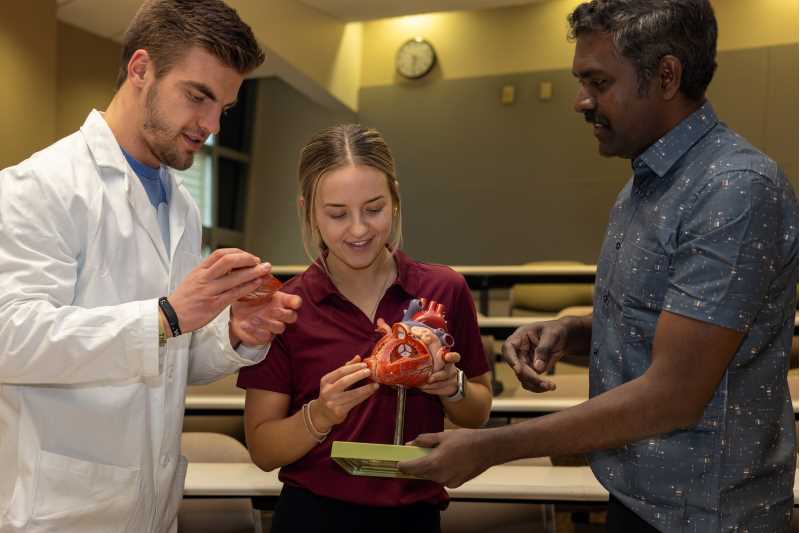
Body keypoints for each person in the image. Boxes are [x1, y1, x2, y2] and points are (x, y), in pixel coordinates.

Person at [399, 1, 799, 531]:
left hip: (706, 515)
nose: (580, 101)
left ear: (666, 75)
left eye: (598, 81)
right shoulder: (645, 185)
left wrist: (491, 446)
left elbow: (674, 396)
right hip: (638, 498)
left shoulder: (734, 190)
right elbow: (667, 325)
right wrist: (574, 331)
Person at [0, 1, 301, 531]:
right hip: (59, 509)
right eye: (198, 96)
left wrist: (233, 332)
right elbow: (10, 338)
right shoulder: (40, 186)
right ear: (141, 69)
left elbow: (170, 356)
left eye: (224, 109)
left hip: (152, 505)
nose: (210, 125)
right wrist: (166, 316)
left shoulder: (180, 204)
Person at [237, 124, 493, 533]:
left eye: (373, 209)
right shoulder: (284, 308)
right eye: (337, 214)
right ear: (308, 212)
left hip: (416, 516)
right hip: (312, 516)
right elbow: (264, 450)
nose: (358, 230)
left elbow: (478, 411)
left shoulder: (444, 290)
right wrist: (321, 415)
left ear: (395, 201)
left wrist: (452, 386)